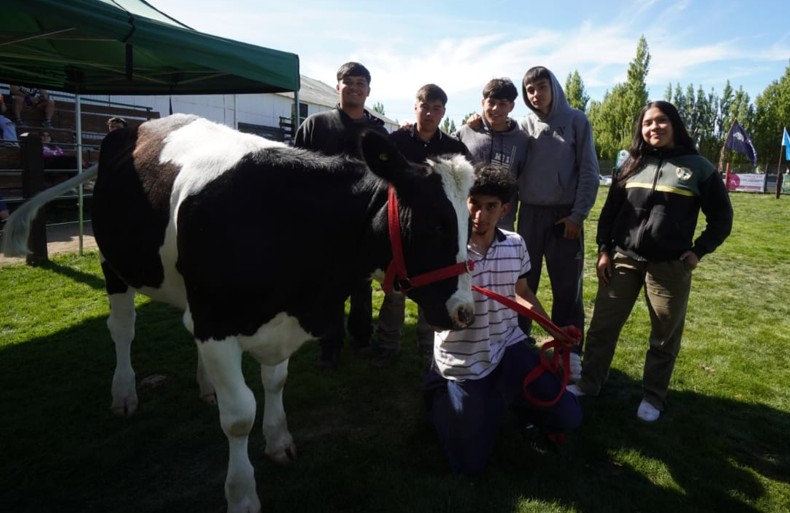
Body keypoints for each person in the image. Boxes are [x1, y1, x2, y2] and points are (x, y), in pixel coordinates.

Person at [566, 101, 734, 423]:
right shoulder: (630, 164)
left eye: (661, 121)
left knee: (663, 336)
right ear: (640, 129)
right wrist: (604, 250)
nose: (653, 128)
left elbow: (722, 218)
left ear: (674, 124)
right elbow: (610, 213)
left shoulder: (699, 167)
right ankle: (590, 383)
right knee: (602, 327)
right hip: (623, 260)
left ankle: (653, 397)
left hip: (670, 267)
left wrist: (698, 251)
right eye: (647, 123)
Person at [424, 165, 582, 475]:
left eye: (491, 206)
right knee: (468, 463)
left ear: (504, 209)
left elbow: (522, 291)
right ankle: (437, 387)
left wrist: (553, 329)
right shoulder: (445, 249)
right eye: (474, 203)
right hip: (463, 359)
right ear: (463, 202)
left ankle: (504, 396)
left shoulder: (515, 243)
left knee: (569, 416)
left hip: (508, 346)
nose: (480, 214)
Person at [293, 62, 388, 369]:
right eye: (349, 82)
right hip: (325, 222)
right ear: (338, 87)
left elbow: (388, 175)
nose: (355, 87)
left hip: (365, 221)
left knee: (362, 285)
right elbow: (296, 170)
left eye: (361, 83)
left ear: (369, 90)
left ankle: (362, 339)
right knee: (330, 285)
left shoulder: (377, 131)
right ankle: (330, 346)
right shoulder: (316, 125)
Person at [371, 84, 471, 367]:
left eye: (436, 108)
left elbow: (464, 186)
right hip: (402, 229)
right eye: (424, 107)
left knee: (434, 286)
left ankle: (429, 347)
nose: (429, 113)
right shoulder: (397, 142)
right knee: (395, 290)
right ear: (415, 107)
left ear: (443, 112)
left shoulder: (454, 147)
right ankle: (388, 343)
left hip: (437, 233)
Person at [517, 66, 600, 381]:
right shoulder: (523, 125)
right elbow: (495, 134)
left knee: (568, 288)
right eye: (530, 90)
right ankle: (519, 341)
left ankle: (570, 350)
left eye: (541, 87)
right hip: (529, 214)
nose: (536, 94)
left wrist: (578, 215)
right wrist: (476, 122)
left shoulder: (576, 120)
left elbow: (589, 171)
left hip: (565, 215)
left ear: (553, 87)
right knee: (523, 282)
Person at [455, 78, 528, 231]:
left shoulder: (522, 140)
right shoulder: (466, 132)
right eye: (491, 102)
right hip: (465, 222)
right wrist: (410, 128)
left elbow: (523, 180)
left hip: (503, 224)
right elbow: (437, 144)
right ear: (483, 103)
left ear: (512, 106)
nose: (496, 109)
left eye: (502, 104)